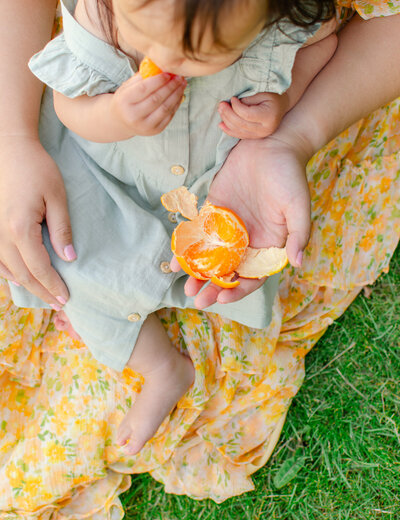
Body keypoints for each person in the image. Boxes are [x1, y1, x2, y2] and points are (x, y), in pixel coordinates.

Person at [0, 0, 399, 513]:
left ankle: (174, 330)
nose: (162, 60)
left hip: (214, 168)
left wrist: (285, 102)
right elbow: (68, 102)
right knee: (66, 258)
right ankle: (159, 365)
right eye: (144, 37)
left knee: (234, 252)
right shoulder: (100, 14)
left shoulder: (286, 15)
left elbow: (318, 46)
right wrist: (115, 114)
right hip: (107, 173)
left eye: (197, 57)